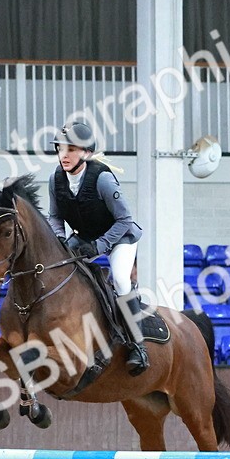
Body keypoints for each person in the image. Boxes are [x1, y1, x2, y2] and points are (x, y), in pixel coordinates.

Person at [46, 121, 148, 376]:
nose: (64, 155)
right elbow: (55, 217)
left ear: (86, 153)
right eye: (61, 149)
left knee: (121, 280)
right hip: (84, 238)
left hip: (120, 236)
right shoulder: (55, 179)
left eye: (71, 149)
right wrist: (59, 240)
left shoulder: (102, 179)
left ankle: (138, 346)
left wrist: (101, 246)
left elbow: (124, 219)